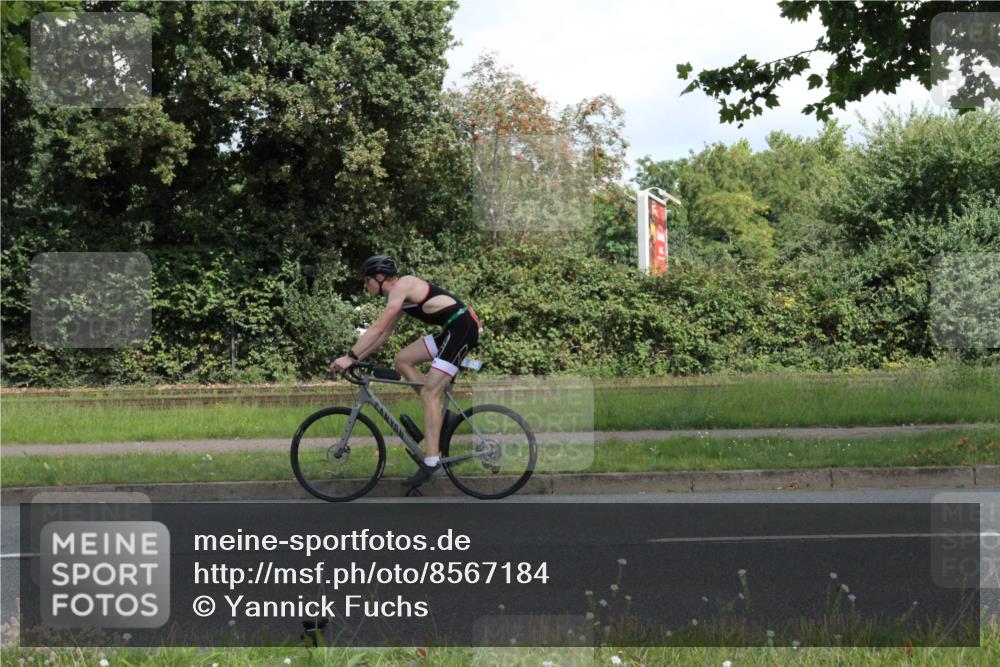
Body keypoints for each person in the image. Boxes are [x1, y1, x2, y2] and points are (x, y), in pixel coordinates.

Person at [330, 255, 481, 487]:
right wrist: (356, 358)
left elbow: (377, 327)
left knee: (431, 393)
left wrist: (349, 356)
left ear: (380, 278)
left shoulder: (404, 284)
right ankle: (440, 417)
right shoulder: (399, 297)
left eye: (366, 280)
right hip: (451, 328)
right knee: (403, 360)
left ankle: (432, 462)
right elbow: (383, 334)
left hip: (463, 328)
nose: (364, 285)